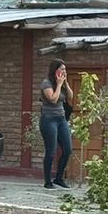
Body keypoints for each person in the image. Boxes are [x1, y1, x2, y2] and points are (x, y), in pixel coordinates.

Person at [39, 59, 73, 189]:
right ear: (55, 70)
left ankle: (59, 178)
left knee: (67, 149)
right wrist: (58, 85)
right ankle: (48, 181)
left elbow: (70, 96)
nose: (64, 71)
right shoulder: (46, 83)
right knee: (51, 151)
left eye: (65, 69)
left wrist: (65, 83)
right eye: (62, 69)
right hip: (49, 119)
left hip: (61, 119)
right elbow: (53, 99)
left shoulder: (62, 83)